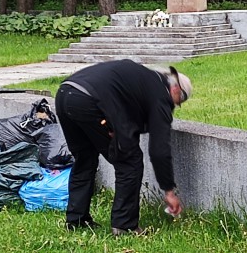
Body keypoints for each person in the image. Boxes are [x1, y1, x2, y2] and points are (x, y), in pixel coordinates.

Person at [54, 59, 192, 236]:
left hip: (65, 93)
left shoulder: (144, 80)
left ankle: (76, 220)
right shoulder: (161, 95)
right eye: (179, 101)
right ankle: (124, 225)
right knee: (130, 162)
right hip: (89, 100)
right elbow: (159, 149)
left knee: (85, 159)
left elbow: (127, 116)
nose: (175, 106)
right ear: (176, 89)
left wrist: (114, 130)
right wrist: (169, 190)